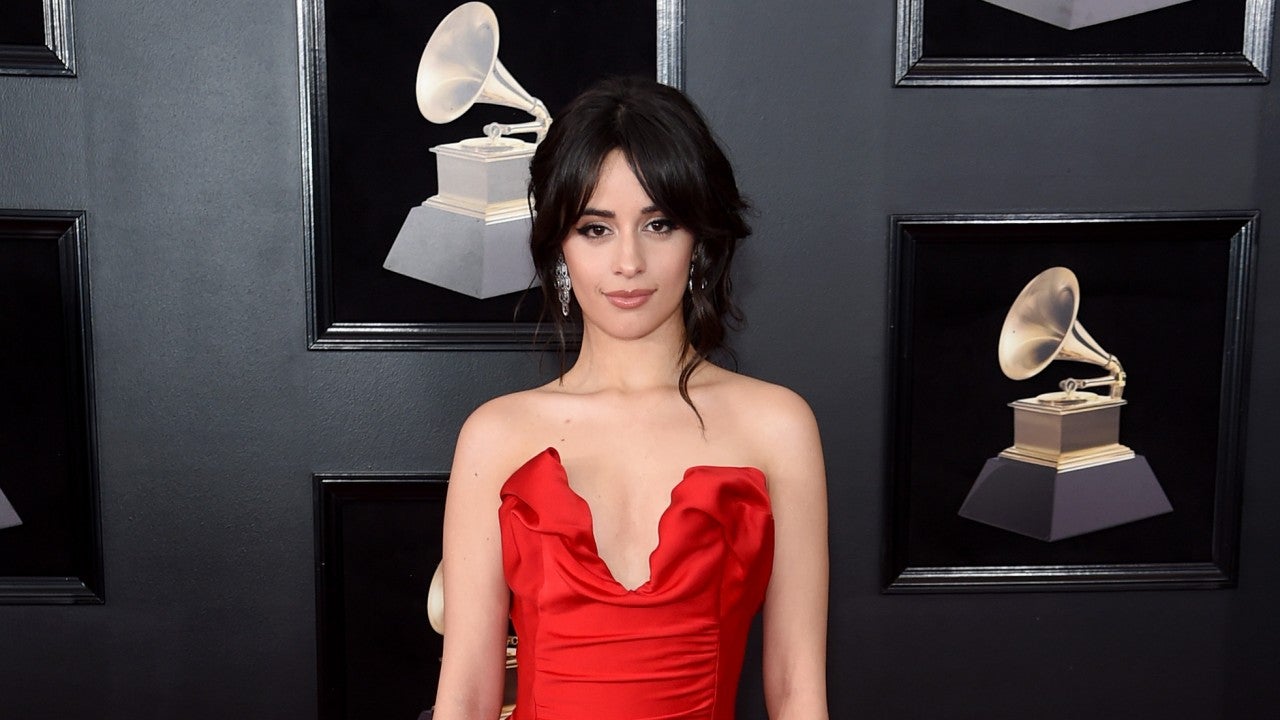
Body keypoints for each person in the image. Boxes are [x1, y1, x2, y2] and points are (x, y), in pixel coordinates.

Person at [433, 76, 829, 720]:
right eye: (595, 228)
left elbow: (796, 690)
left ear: (699, 242)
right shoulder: (496, 435)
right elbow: (468, 696)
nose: (628, 262)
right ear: (559, 247)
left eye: (658, 224)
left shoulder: (776, 426)